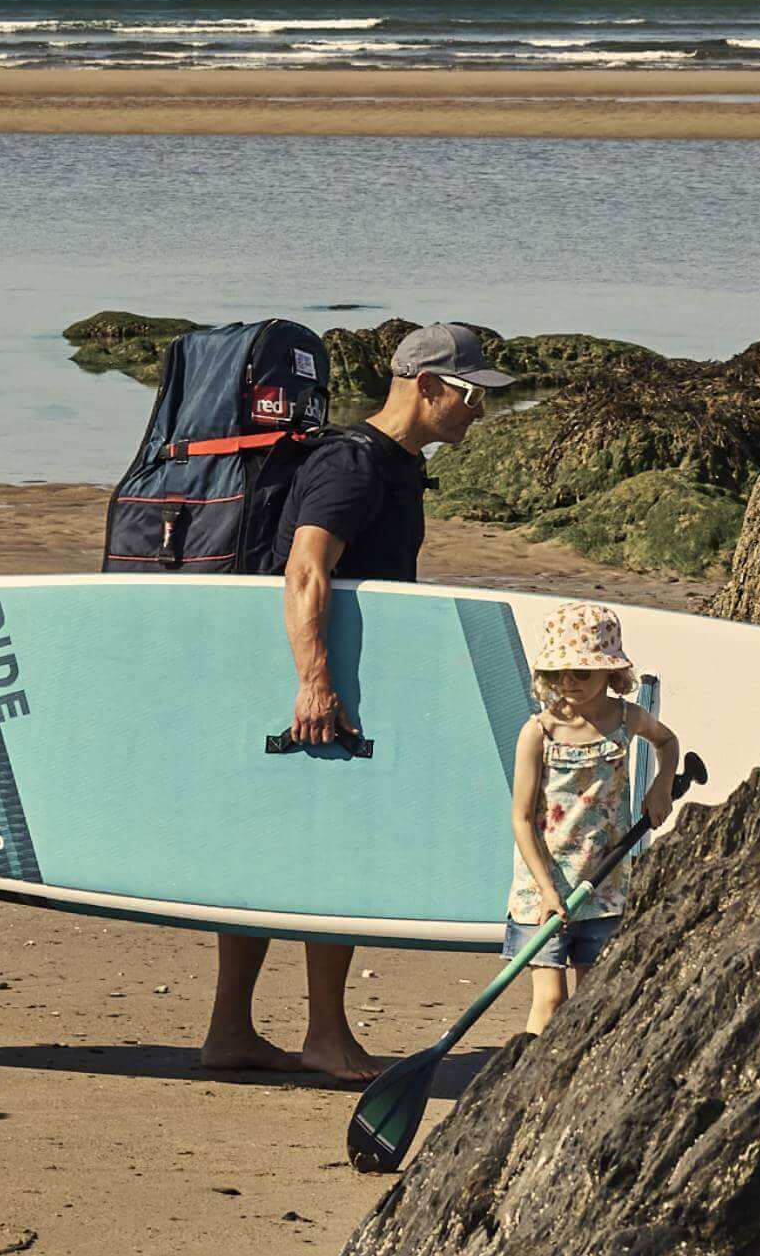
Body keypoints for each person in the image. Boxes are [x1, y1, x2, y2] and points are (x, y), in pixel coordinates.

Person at [204, 321, 510, 1080]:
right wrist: (316, 683)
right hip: (320, 687)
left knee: (271, 849)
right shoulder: (355, 465)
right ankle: (325, 1037)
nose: (481, 411)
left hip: (310, 679)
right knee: (335, 852)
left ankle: (229, 1031)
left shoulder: (391, 465)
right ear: (428, 387)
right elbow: (307, 571)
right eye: (472, 395)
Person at [504, 604, 674, 1038]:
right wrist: (546, 891)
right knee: (551, 1000)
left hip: (605, 885)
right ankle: (527, 1089)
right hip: (542, 890)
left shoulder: (625, 719)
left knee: (593, 999)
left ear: (611, 674)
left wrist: (660, 787)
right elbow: (522, 818)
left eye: (582, 672)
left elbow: (667, 742)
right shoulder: (538, 733)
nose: (569, 683)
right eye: (559, 672)